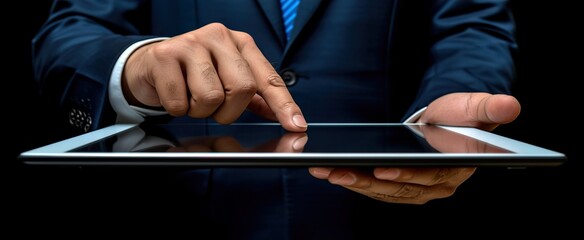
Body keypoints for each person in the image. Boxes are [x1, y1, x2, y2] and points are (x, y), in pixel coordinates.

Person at [32, 0, 520, 237]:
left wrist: (443, 119)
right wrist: (135, 62)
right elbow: (71, 30)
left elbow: (471, 25)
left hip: (381, 217)